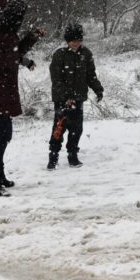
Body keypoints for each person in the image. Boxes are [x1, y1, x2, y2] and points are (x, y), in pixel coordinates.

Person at [0, 0, 45, 197]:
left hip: (2, 89)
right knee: (0, 135)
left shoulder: (1, 28)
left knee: (4, 134)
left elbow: (14, 51)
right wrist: (14, 57)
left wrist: (31, 37)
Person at [47, 23, 104, 170]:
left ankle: (73, 155)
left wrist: (98, 89)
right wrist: (65, 97)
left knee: (76, 129)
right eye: (73, 41)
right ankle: (53, 157)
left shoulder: (86, 54)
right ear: (67, 41)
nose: (76, 44)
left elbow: (90, 75)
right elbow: (56, 79)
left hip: (78, 98)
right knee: (59, 128)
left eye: (79, 41)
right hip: (62, 100)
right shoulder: (59, 54)